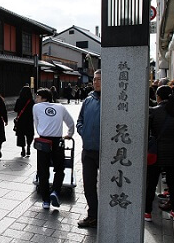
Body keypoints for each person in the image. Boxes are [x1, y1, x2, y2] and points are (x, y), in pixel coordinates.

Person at [33, 88, 74, 210]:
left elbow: (37, 123)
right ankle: (55, 191)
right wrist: (69, 134)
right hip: (58, 142)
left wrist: (42, 132)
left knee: (43, 171)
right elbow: (71, 123)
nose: (36, 99)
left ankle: (45, 201)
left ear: (43, 98)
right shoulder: (60, 107)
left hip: (43, 141)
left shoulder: (36, 107)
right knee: (59, 169)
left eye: (37, 97)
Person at [144, 85, 174, 222]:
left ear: (158, 97)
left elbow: (147, 132)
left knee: (151, 184)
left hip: (156, 153)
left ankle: (147, 212)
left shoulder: (153, 111)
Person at [77, 69, 101, 228]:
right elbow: (80, 120)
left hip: (107, 152)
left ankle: (107, 214)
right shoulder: (88, 100)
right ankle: (93, 215)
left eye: (99, 79)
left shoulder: (114, 100)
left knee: (109, 185)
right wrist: (83, 132)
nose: (96, 82)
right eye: (94, 79)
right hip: (88, 150)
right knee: (88, 184)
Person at [14, 86, 35, 157]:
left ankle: (23, 149)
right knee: (29, 134)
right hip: (29, 120)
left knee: (21, 135)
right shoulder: (31, 101)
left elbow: (15, 109)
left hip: (21, 120)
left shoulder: (19, 100)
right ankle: (28, 146)